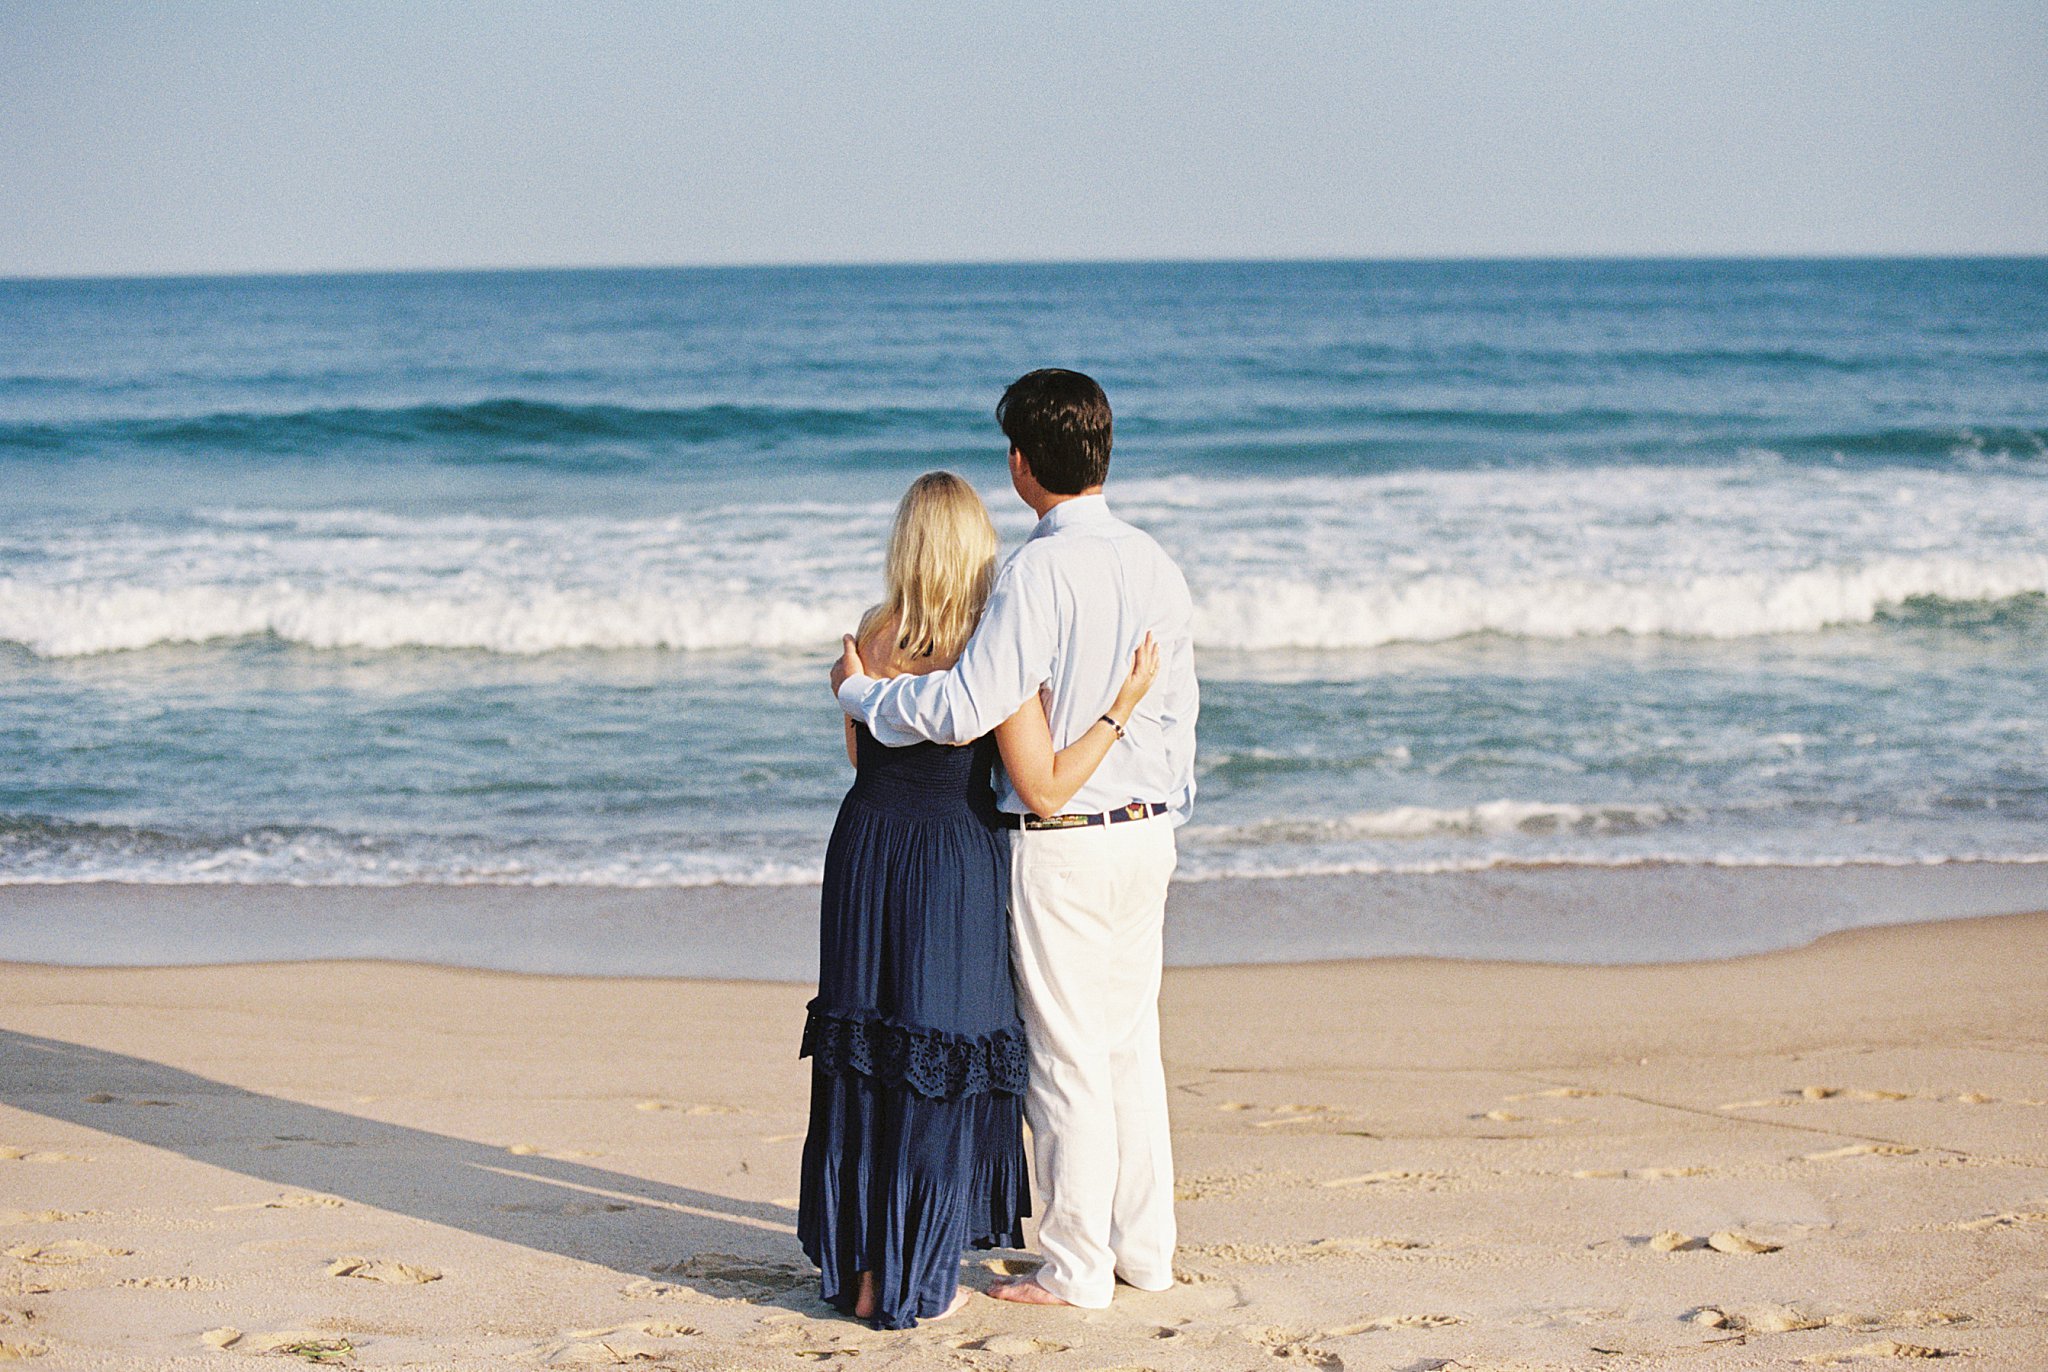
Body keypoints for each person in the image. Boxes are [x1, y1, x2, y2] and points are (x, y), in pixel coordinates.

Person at [832, 370, 1199, 1311]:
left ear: (1026, 464)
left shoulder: (1037, 571)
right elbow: (1181, 712)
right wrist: (1164, 801)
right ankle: (1145, 1253)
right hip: (1148, 829)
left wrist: (864, 696)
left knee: (1068, 1056)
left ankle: (1077, 1269)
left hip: (1066, 833)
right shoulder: (1156, 562)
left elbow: (961, 707)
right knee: (1129, 1046)